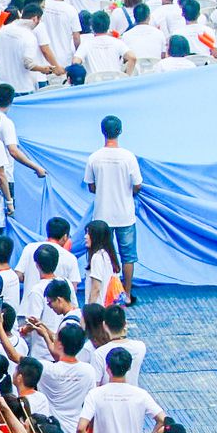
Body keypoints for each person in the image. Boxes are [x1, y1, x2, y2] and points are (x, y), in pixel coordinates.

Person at [81, 116, 141, 305]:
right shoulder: (128, 157)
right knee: (128, 256)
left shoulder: (94, 158)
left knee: (100, 255)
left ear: (102, 131)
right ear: (120, 131)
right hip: (125, 214)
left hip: (102, 215)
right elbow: (137, 185)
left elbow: (90, 186)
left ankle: (103, 294)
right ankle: (126, 294)